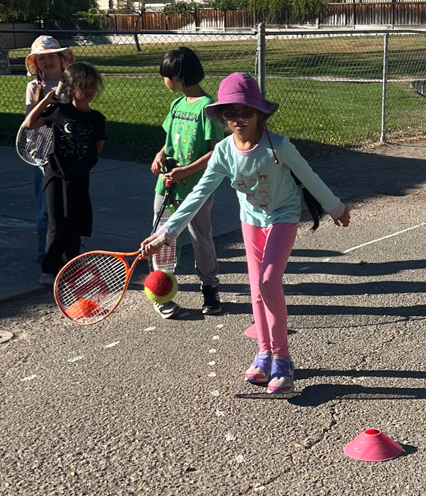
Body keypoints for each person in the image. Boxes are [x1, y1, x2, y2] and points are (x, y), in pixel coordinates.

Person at [141, 72, 350, 394]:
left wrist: (335, 208)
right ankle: (264, 353)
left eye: (246, 111)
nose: (238, 119)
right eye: (230, 112)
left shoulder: (278, 146)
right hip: (251, 220)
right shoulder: (224, 151)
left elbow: (308, 176)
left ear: (259, 113)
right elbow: (198, 194)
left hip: (282, 216)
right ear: (222, 116)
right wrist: (167, 231)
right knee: (255, 289)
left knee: (268, 282)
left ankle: (283, 359)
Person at [149, 47, 223, 319]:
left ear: (178, 77)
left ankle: (209, 288)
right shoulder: (177, 105)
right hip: (166, 187)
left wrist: (186, 171)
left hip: (196, 190)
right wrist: (160, 156)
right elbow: (168, 142)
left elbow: (217, 151)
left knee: (200, 238)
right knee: (162, 239)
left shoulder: (208, 108)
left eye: (166, 76)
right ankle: (161, 291)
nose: (164, 82)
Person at [22, 62, 105, 285]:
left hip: (79, 178)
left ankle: (72, 266)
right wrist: (45, 102)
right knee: (57, 223)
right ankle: (49, 267)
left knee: (75, 223)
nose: (88, 90)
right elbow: (29, 124)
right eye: (82, 86)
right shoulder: (59, 112)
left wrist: (82, 165)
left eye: (91, 86)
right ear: (69, 88)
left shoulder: (97, 119)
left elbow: (96, 147)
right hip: (55, 177)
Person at [24, 36, 74, 262]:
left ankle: (70, 249)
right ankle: (44, 252)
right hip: (42, 156)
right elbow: (30, 121)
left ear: (62, 59)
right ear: (35, 63)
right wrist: (46, 101)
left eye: (51, 56)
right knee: (45, 206)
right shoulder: (34, 87)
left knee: (70, 204)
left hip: (68, 155)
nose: (47, 61)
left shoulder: (72, 85)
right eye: (41, 58)